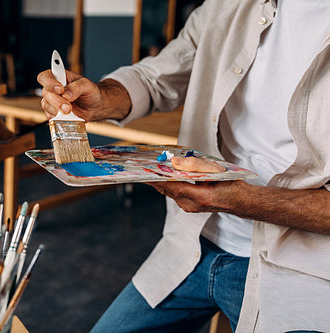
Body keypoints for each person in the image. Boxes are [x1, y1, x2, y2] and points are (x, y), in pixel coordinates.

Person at [37, 0, 330, 331]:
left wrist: (241, 200)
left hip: (304, 271)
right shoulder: (227, 5)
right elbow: (157, 76)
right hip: (192, 243)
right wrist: (102, 97)